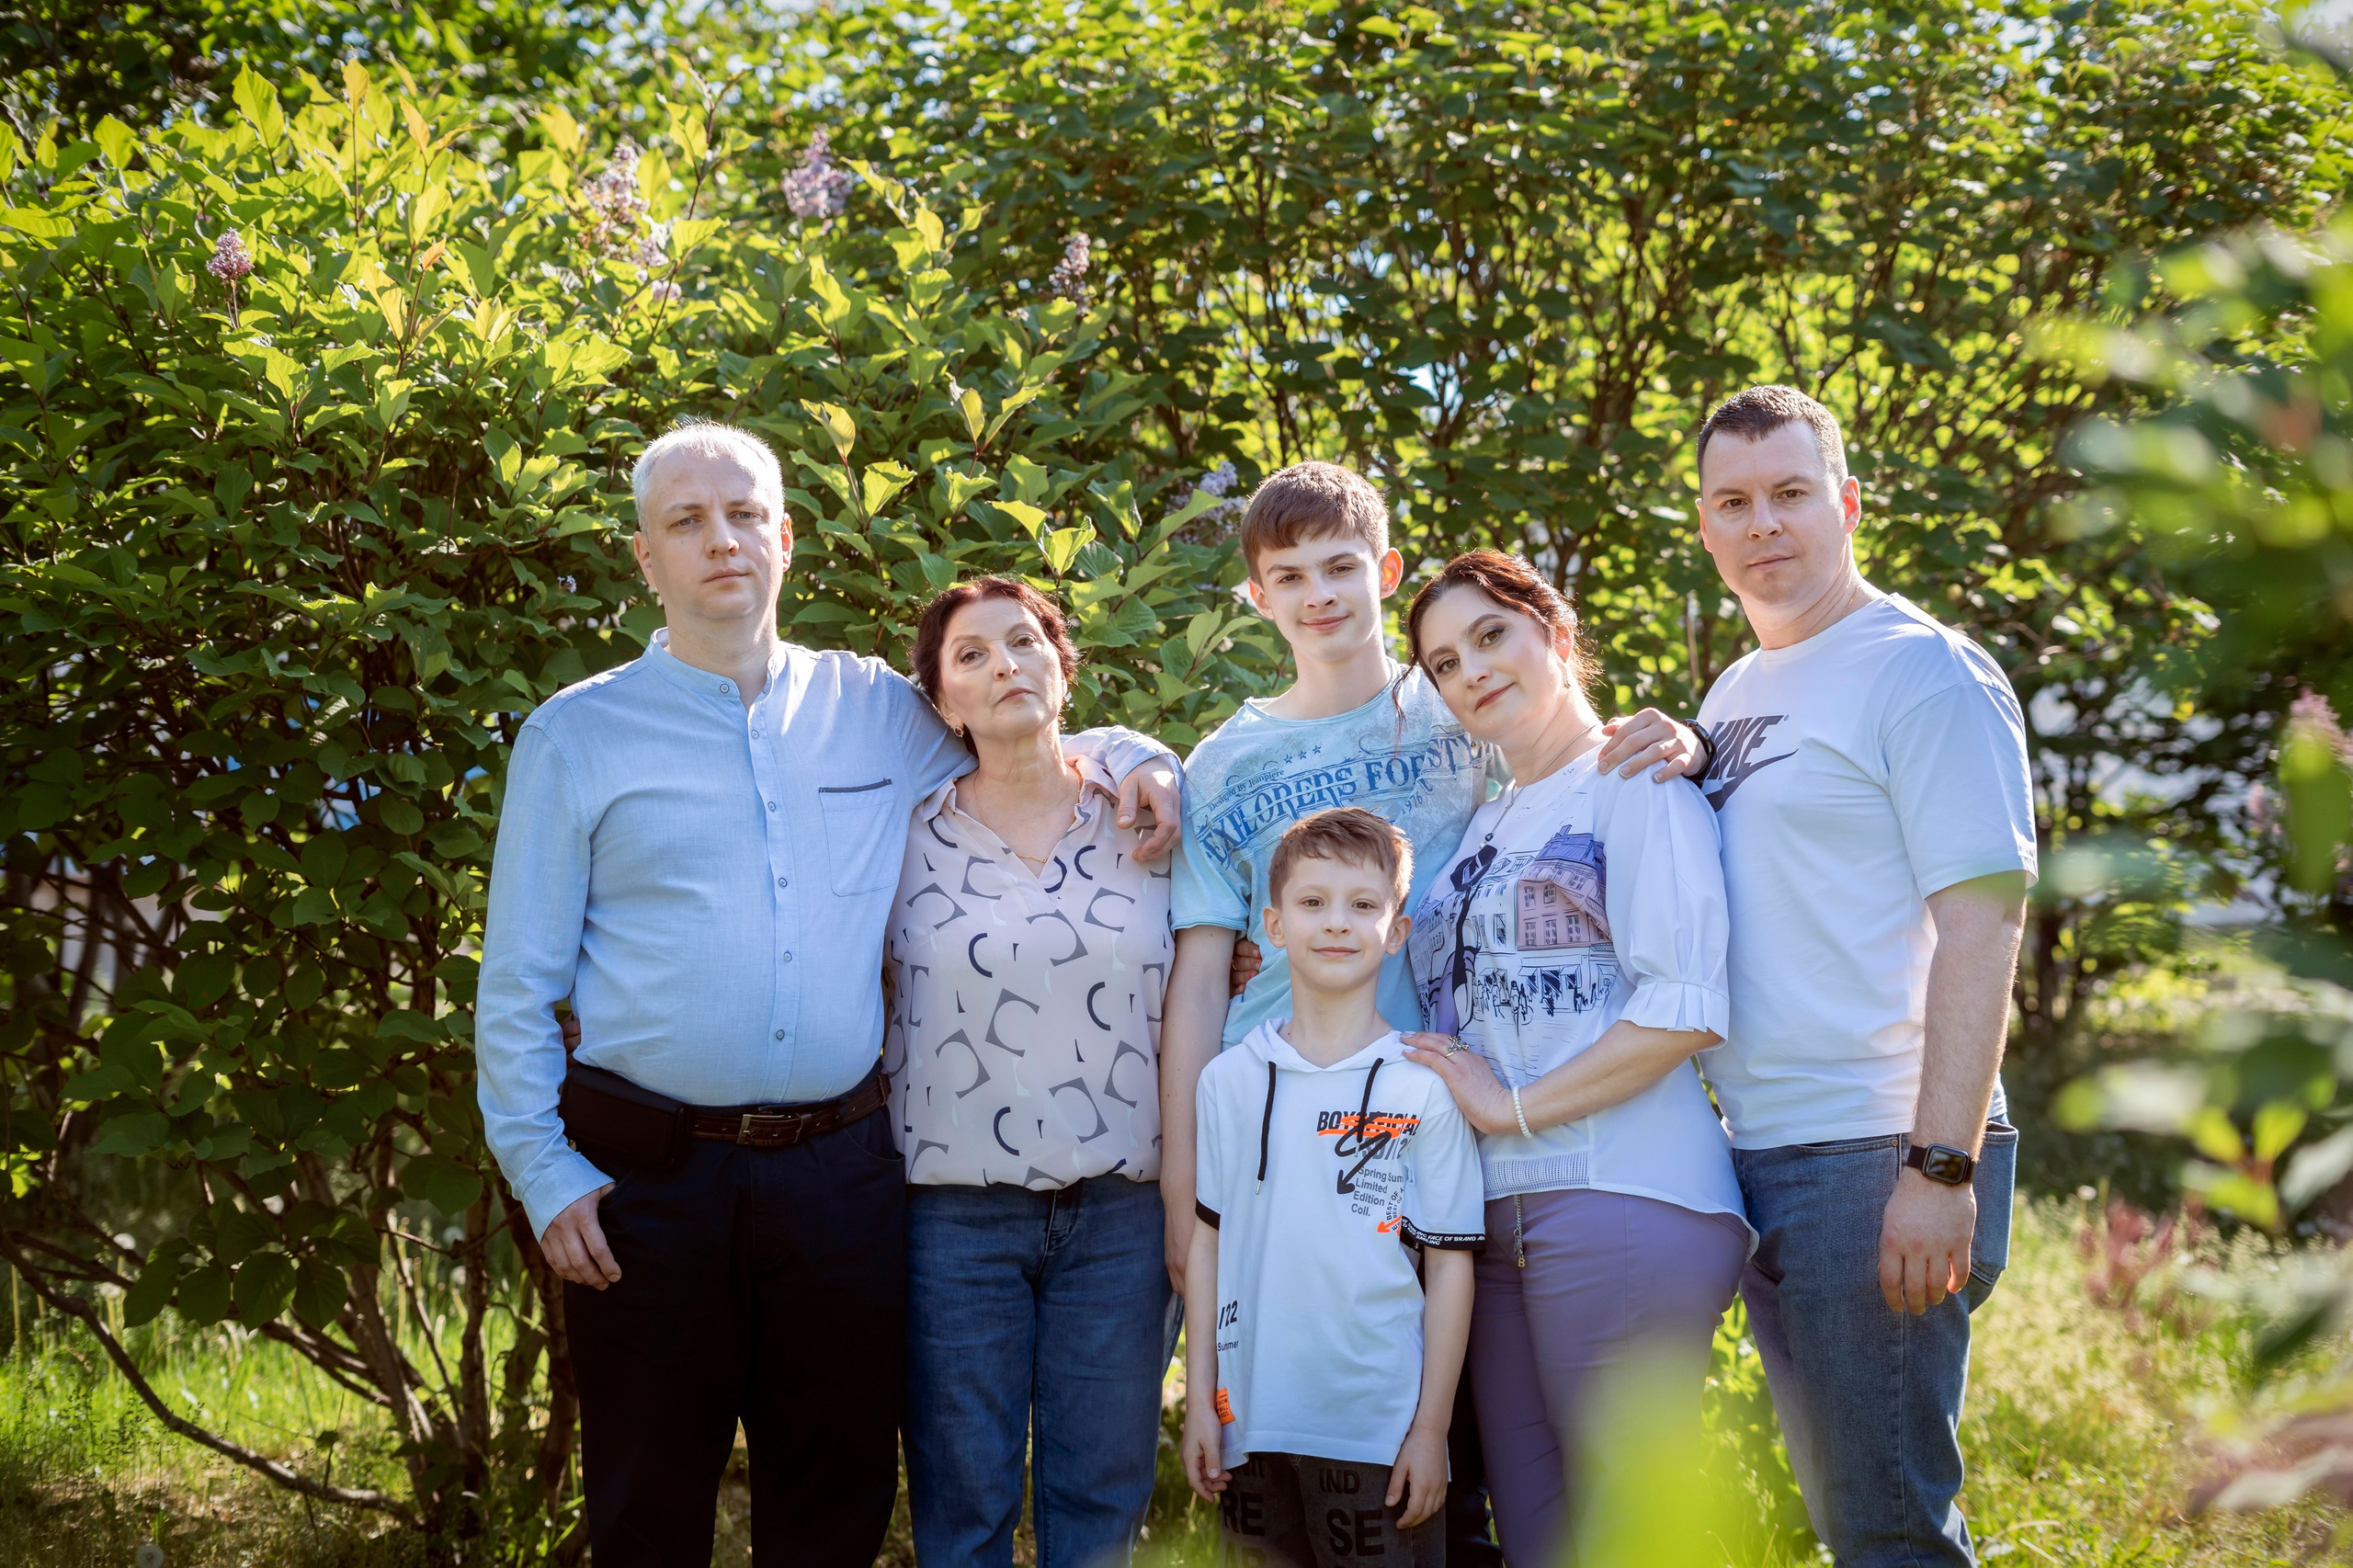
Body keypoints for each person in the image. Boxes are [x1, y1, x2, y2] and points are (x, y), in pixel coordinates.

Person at [473, 421, 1182, 1567]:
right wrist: (542, 1167)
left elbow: (1018, 726)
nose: (722, 540)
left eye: (745, 513)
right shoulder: (575, 736)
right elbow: (516, 980)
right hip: (648, 1178)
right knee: (647, 1503)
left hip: (842, 1178)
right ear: (645, 558)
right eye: (687, 521)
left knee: (835, 1499)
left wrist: (1149, 757)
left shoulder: (873, 710)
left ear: (786, 537)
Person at [1160, 461, 1699, 1561]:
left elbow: (1579, 760)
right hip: (1282, 1132)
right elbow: (1192, 980)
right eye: (1289, 575)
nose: (1320, 595)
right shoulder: (1223, 762)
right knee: (1293, 1452)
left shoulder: (1459, 710)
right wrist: (1183, 1193)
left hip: (1450, 1133)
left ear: (1385, 570)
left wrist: (1686, 741)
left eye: (1341, 567)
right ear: (1256, 597)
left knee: (1451, 1458)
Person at [1614, 385, 2032, 1565]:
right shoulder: (1739, 691)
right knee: (1854, 1521)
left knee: (1891, 1530)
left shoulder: (1923, 672)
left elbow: (1984, 927)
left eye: (1791, 494)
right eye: (1733, 502)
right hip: (1765, 1154)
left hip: (1876, 1151)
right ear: (1703, 526)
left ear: (1845, 504)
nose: (1764, 525)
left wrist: (1938, 1165)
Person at [1389, 550, 1747, 1562]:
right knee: (1540, 1532)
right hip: (1492, 1213)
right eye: (1445, 663)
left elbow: (1683, 1008)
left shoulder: (1634, 778)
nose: (1472, 672)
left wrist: (1512, 1106)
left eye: (1490, 635)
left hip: (1621, 1188)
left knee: (1629, 1530)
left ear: (1551, 626)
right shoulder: (1478, 825)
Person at [882, 578, 1175, 1568]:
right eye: (972, 654)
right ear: (942, 700)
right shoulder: (903, 835)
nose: (1005, 663)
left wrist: (1143, 755)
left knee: (1099, 1498)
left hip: (1122, 1213)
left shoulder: (1147, 822)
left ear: (1063, 665)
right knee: (963, 1500)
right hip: (953, 1219)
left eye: (1025, 641)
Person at [1179, 807, 1484, 1568]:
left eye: (1363, 905)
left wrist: (1430, 1430)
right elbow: (1209, 1245)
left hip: (1377, 1435)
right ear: (1275, 926)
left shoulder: (1425, 1085)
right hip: (1250, 1428)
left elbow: (1448, 1267)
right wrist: (1202, 1407)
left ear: (1397, 930)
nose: (1337, 924)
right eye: (1313, 904)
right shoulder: (1227, 1081)